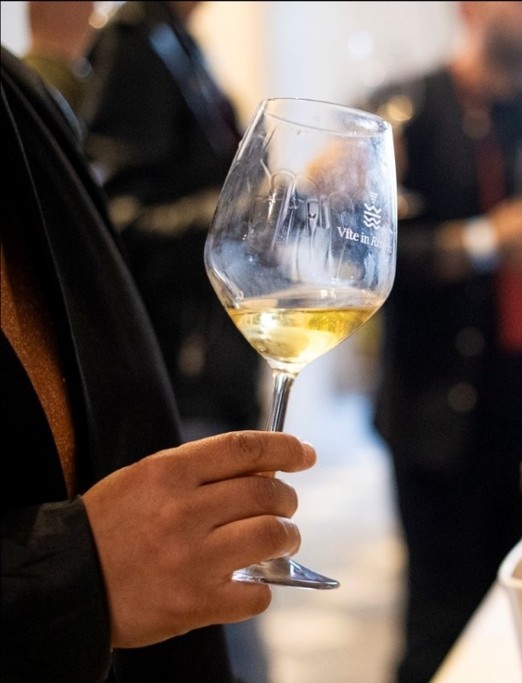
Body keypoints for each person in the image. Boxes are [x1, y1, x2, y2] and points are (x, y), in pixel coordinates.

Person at [1, 45, 316, 682]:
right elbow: (136, 217)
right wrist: (69, 576)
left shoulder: (19, 96)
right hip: (189, 384)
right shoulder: (136, 45)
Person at [366, 2, 522, 680]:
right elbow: (365, 253)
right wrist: (484, 242)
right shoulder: (406, 112)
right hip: (439, 410)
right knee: (440, 621)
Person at [76, 1, 263, 444]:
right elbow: (116, 219)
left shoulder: (176, 39)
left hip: (212, 357)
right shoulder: (133, 42)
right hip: (177, 365)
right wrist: (247, 212)